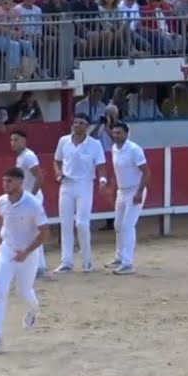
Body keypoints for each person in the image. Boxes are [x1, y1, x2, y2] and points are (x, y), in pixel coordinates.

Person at [0, 166, 49, 356]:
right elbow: (3, 219)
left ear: (20, 182)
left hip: (28, 254)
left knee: (24, 291)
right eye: (4, 181)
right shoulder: (1, 201)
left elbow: (45, 232)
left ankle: (33, 310)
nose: (5, 184)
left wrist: (27, 252)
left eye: (9, 181)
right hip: (7, 251)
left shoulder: (33, 204)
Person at [52, 114, 106, 273]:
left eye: (81, 123)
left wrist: (102, 180)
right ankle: (66, 261)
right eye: (75, 122)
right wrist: (58, 173)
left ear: (87, 127)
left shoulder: (95, 144)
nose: (77, 125)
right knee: (65, 223)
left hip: (84, 184)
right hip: (66, 184)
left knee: (82, 223)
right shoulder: (63, 141)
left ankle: (87, 261)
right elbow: (57, 160)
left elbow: (101, 165)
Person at [104, 122, 148, 276]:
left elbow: (146, 172)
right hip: (122, 191)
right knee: (118, 224)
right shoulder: (114, 149)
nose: (115, 136)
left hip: (135, 190)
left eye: (119, 133)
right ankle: (120, 257)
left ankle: (128, 263)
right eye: (114, 133)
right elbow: (117, 170)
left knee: (128, 226)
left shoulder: (135, 149)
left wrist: (139, 192)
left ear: (126, 134)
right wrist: (112, 187)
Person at [10, 129, 48, 277]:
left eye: (16, 139)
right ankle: (38, 266)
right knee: (32, 232)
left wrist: (31, 196)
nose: (13, 143)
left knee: (34, 232)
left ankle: (39, 267)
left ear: (24, 141)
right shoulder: (21, 157)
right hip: (28, 197)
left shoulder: (29, 156)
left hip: (32, 198)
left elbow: (39, 177)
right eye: (12, 140)